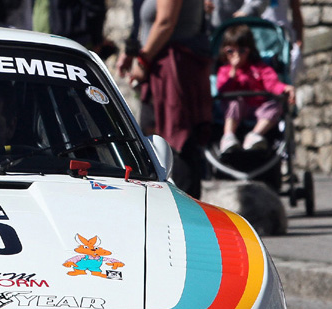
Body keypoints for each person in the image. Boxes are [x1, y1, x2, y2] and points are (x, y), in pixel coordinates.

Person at [116, 0, 212, 199]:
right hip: (161, 68)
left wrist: (142, 60)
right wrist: (132, 51)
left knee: (177, 141)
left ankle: (186, 206)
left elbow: (166, 22)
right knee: (153, 141)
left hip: (175, 70)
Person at [215, 23, 294, 154]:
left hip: (258, 109)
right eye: (230, 51)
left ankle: (255, 134)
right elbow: (222, 90)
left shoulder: (260, 68)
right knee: (233, 102)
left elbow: (272, 84)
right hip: (235, 110)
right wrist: (233, 72)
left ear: (249, 50)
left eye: (242, 51)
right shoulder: (224, 71)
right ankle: (228, 136)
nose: (236, 55)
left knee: (276, 105)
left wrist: (284, 88)